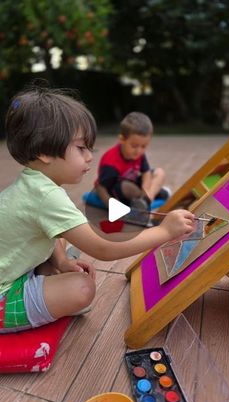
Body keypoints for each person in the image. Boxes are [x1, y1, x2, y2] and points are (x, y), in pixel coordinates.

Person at [0, 87, 195, 334]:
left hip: (13, 268)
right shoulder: (46, 196)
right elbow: (103, 247)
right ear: (44, 153)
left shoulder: (33, 185)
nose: (90, 157)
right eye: (81, 148)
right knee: (82, 289)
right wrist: (165, 232)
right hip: (3, 293)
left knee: (66, 249)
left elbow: (52, 234)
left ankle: (51, 271)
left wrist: (60, 260)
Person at [95, 112, 171, 212]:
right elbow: (100, 187)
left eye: (143, 146)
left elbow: (146, 172)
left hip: (135, 184)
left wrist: (146, 191)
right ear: (122, 139)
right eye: (134, 146)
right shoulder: (110, 164)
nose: (139, 151)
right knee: (126, 186)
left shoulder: (138, 153)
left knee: (160, 172)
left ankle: (147, 199)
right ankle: (155, 194)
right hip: (118, 189)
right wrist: (111, 206)